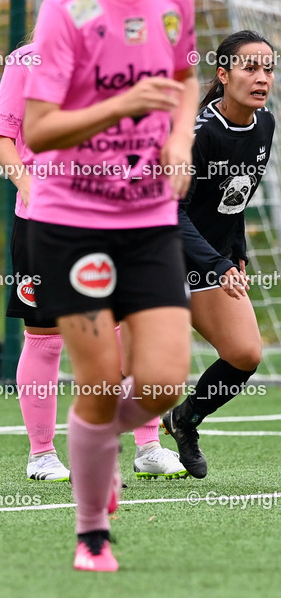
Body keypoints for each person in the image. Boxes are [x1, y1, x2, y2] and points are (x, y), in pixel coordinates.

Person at [23, 0, 199, 571]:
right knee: (98, 381)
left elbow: (184, 80)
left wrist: (178, 140)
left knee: (163, 383)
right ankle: (91, 530)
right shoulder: (66, 9)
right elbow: (38, 129)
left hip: (149, 220)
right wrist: (121, 105)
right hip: (73, 223)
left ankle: (94, 441)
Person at [0, 0, 185, 483]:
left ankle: (147, 445)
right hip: (44, 222)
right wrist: (27, 185)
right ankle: (41, 454)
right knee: (46, 338)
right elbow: (3, 137)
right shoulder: (26, 61)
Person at [162, 30, 275, 478]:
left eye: (268, 69)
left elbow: (235, 196)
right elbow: (171, 212)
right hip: (158, 255)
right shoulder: (200, 134)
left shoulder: (264, 124)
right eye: (250, 68)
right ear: (223, 75)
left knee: (245, 353)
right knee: (146, 367)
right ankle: (94, 453)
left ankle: (185, 420)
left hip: (210, 259)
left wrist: (236, 249)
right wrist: (218, 263)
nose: (262, 77)